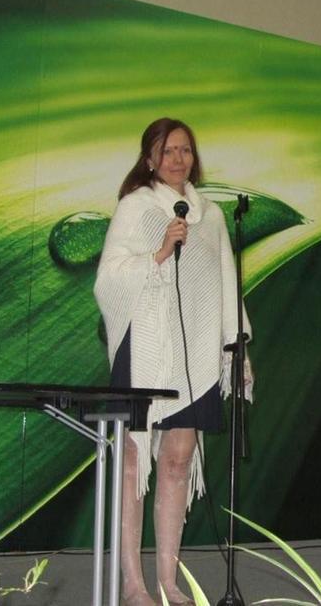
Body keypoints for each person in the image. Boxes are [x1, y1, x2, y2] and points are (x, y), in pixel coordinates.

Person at [95, 118, 251, 606]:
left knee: (179, 459)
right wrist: (160, 253)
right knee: (133, 464)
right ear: (150, 159)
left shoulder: (213, 217)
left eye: (185, 150)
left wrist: (236, 345)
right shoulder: (136, 207)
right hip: (143, 349)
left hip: (194, 353)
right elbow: (109, 278)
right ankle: (133, 584)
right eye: (168, 151)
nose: (178, 159)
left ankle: (168, 580)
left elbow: (224, 283)